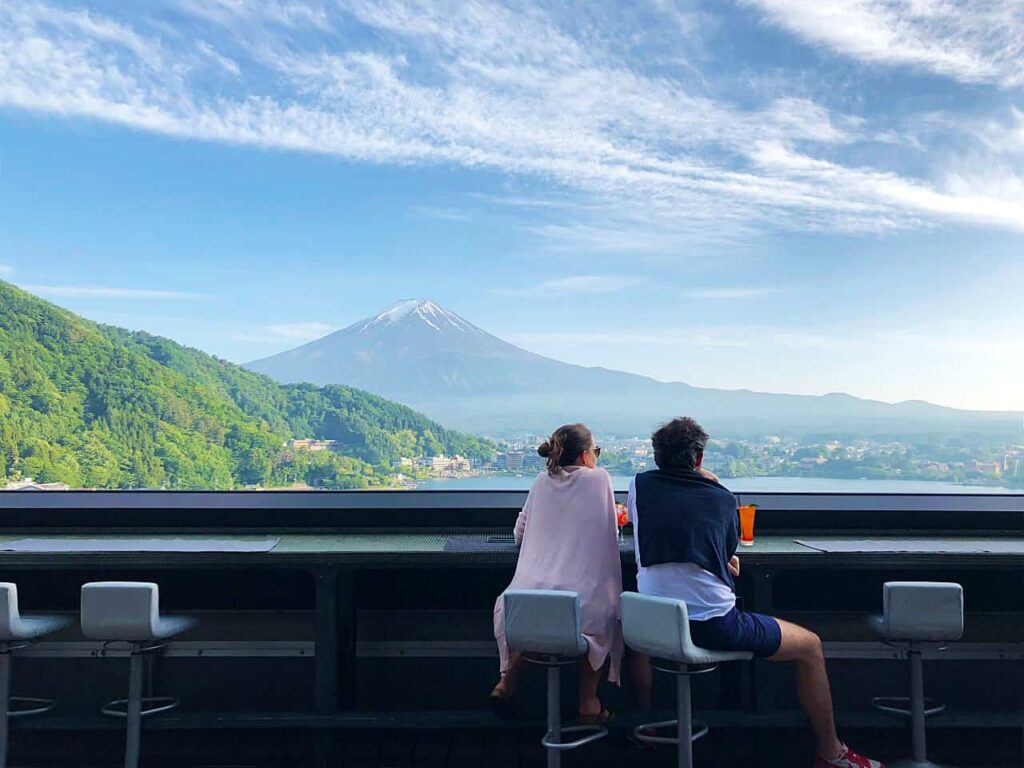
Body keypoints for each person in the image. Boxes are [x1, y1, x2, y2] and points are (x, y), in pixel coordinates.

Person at [627, 417, 884, 768]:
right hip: (712, 626)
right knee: (810, 647)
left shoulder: (638, 487)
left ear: (656, 455)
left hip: (651, 623)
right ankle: (831, 752)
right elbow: (726, 551)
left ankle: (644, 728)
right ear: (699, 458)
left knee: (636, 636)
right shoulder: (720, 499)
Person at [491, 423, 623, 724]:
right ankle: (588, 702)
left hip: (525, 601)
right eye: (596, 452)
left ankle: (506, 682)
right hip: (579, 607)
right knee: (601, 616)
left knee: (540, 620)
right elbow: (610, 532)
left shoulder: (541, 481)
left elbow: (519, 532)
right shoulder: (599, 480)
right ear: (585, 456)